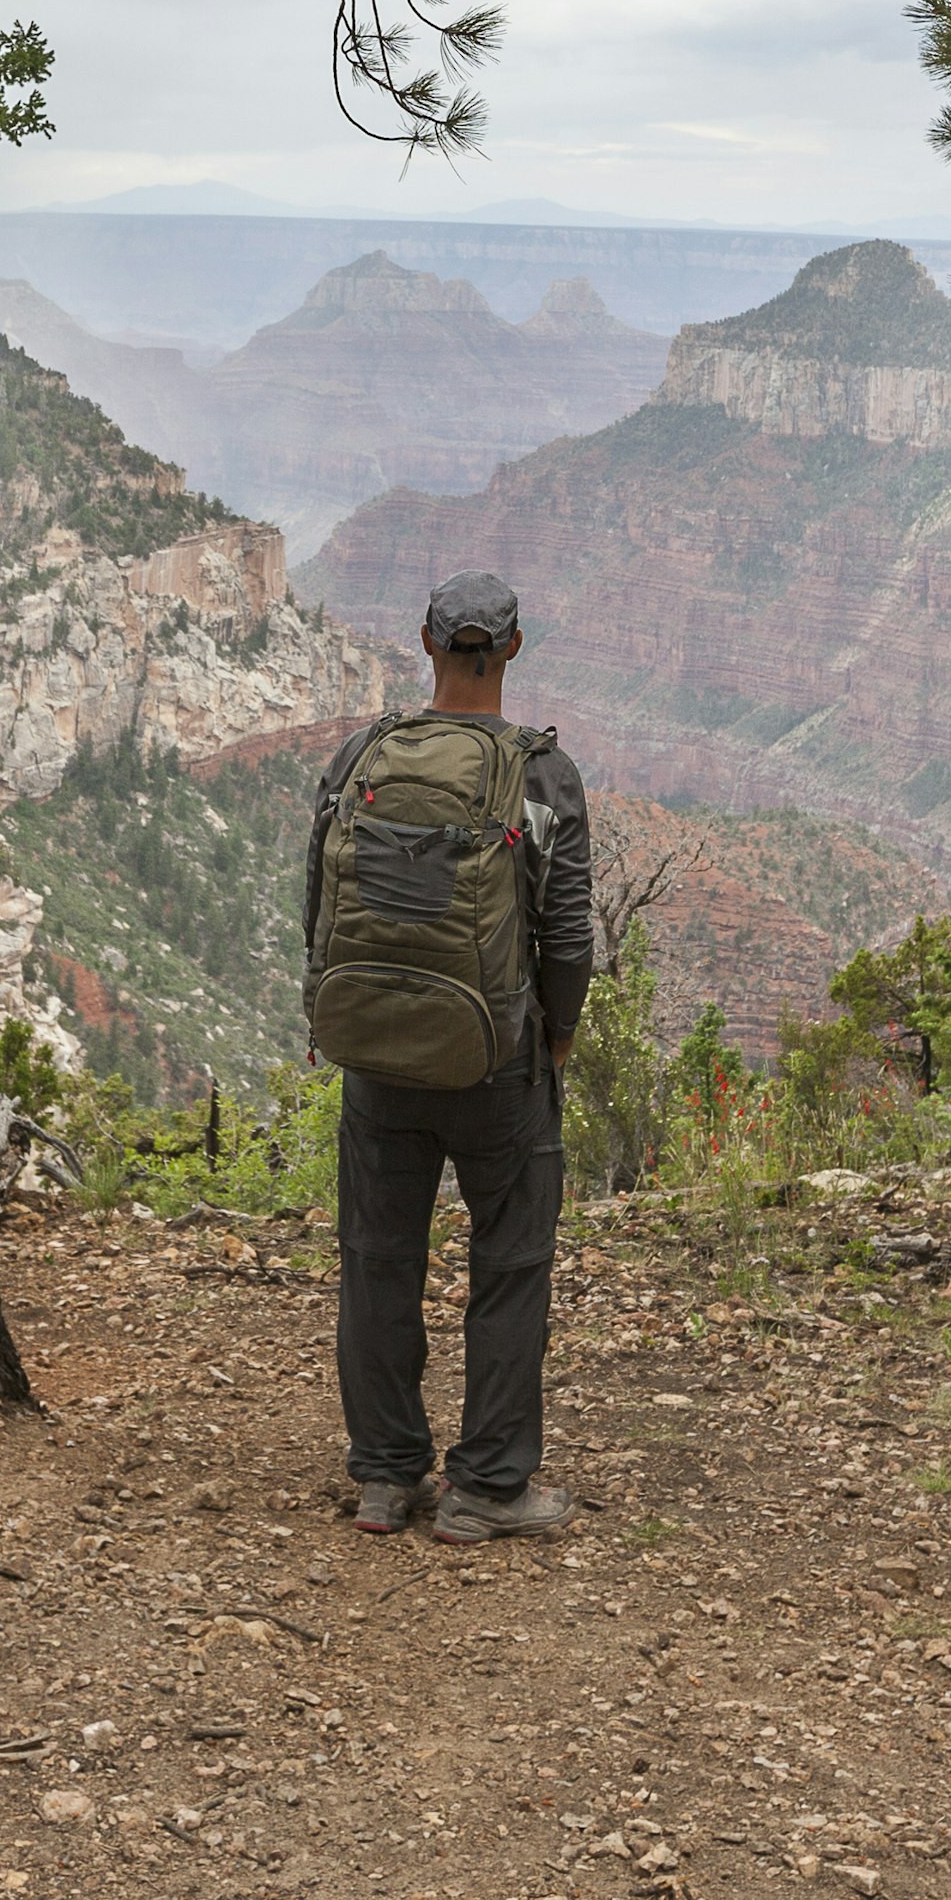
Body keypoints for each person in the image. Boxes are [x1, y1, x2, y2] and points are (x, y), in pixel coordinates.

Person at [304, 569, 596, 1543]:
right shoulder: (542, 776)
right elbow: (568, 933)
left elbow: (317, 905)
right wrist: (553, 1038)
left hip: (379, 1054)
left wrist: (345, 1020)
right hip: (497, 1060)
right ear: (511, 651)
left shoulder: (361, 755)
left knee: (377, 1260)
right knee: (511, 1261)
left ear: (426, 645)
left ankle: (387, 1476)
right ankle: (487, 1487)